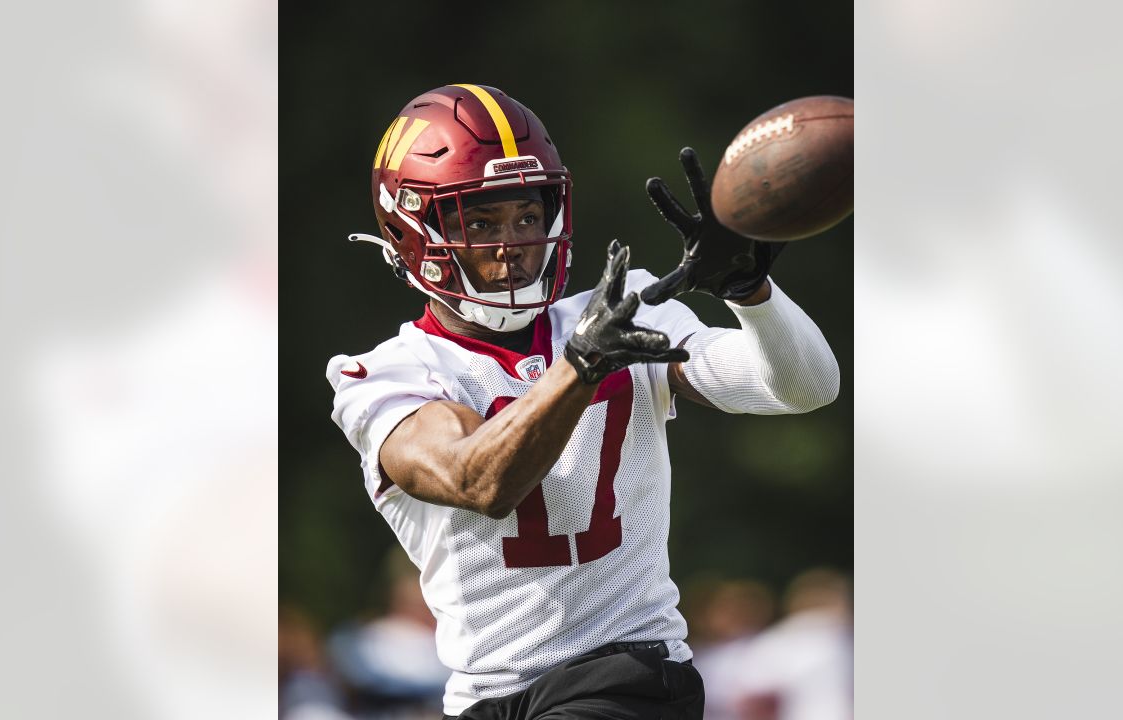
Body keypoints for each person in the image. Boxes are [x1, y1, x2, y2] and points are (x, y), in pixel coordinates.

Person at [328, 84, 840, 720]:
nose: (511, 243)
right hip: (485, 698)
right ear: (413, 230)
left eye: (527, 217)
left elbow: (804, 386)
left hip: (624, 672)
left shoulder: (621, 311)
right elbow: (477, 479)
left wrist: (751, 291)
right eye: (479, 221)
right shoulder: (389, 372)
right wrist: (580, 368)